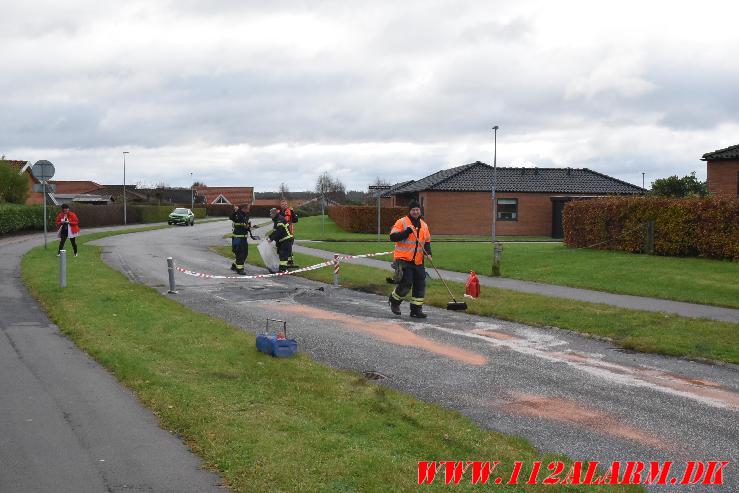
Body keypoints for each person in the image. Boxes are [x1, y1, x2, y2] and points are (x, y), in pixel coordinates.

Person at [388, 200, 431, 318]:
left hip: (418, 261)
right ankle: (394, 301)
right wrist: (407, 231)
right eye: (413, 210)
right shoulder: (402, 222)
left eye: (417, 209)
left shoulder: (424, 225)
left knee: (420, 284)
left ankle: (416, 310)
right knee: (406, 283)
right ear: (410, 211)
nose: (416, 212)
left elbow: (427, 241)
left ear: (420, 211)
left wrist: (429, 253)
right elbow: (393, 237)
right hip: (403, 260)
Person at [268, 207, 294, 272]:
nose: (270, 215)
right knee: (282, 253)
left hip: (286, 239)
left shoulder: (279, 219)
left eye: (271, 214)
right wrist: (269, 237)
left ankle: (282, 269)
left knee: (283, 254)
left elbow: (279, 231)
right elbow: (275, 231)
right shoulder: (277, 219)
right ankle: (283, 267)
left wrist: (271, 239)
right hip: (283, 240)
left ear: (274, 213)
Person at [229, 204, 252, 275]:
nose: (249, 209)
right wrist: (235, 211)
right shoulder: (237, 215)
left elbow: (246, 225)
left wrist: (249, 227)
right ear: (243, 208)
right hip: (238, 238)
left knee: (245, 253)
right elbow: (231, 217)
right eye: (248, 208)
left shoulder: (246, 215)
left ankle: (234, 265)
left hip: (244, 238)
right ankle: (239, 269)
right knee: (240, 254)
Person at [279, 199, 298, 266]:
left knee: (289, 247)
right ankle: (288, 261)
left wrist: (292, 212)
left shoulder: (290, 212)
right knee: (284, 248)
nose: (284, 206)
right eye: (282, 204)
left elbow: (296, 220)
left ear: (287, 205)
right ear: (280, 205)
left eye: (285, 204)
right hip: (281, 233)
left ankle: (290, 261)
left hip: (289, 233)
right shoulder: (279, 212)